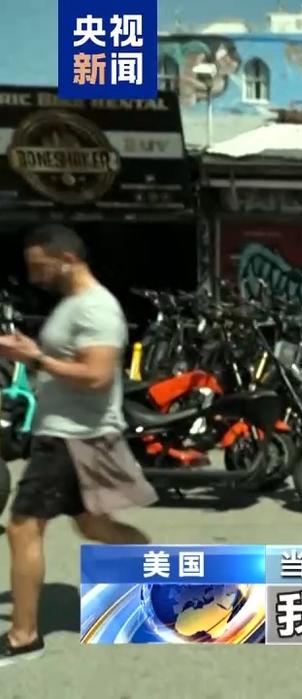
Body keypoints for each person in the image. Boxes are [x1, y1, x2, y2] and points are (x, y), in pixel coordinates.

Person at [0, 224, 156, 666]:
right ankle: (154, 570)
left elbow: (97, 375)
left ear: (66, 259)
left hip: (74, 436)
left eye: (40, 266)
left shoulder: (97, 309)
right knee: (93, 526)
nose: (34, 275)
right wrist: (29, 352)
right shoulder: (73, 304)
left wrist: (36, 358)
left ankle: (24, 636)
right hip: (68, 433)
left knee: (23, 527)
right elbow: (67, 361)